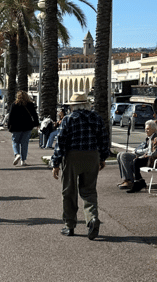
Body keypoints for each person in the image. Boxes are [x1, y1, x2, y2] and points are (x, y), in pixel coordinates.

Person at [50, 92, 109, 240]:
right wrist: (102, 157)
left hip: (73, 156)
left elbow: (61, 143)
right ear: (87, 104)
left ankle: (69, 225)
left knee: (69, 191)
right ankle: (92, 219)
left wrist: (56, 163)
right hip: (92, 155)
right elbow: (103, 139)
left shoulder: (68, 119)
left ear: (73, 106)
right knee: (89, 191)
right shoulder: (96, 118)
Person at [116, 120, 157, 193]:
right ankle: (139, 182)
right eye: (145, 129)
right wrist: (142, 156)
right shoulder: (151, 138)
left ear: (154, 129)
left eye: (148, 129)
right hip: (152, 159)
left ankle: (137, 182)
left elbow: (155, 153)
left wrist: (145, 156)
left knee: (136, 161)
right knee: (135, 160)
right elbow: (148, 151)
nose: (146, 130)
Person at [8, 91, 38, 166]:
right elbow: (34, 115)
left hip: (16, 127)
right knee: (24, 144)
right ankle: (23, 160)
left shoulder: (14, 105)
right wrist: (36, 123)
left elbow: (10, 117)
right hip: (27, 126)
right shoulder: (30, 105)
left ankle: (17, 154)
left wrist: (9, 126)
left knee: (15, 142)